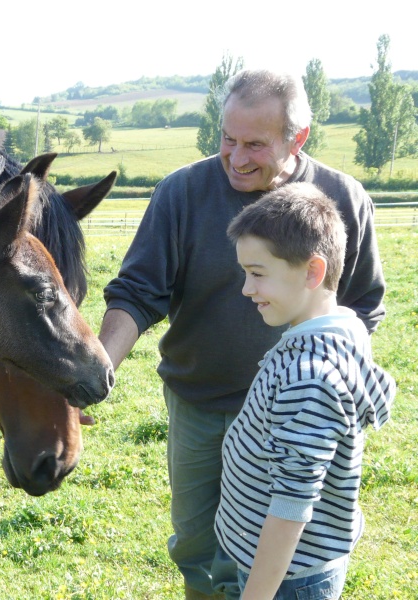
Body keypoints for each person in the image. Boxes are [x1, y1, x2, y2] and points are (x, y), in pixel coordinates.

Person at [98, 69, 386, 600]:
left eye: (256, 143)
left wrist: (330, 389)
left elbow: (364, 304)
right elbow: (137, 290)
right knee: (197, 546)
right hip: (201, 404)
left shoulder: (343, 198)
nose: (236, 156)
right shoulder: (182, 192)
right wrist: (98, 373)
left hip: (296, 413)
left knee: (270, 548)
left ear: (297, 139)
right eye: (227, 138)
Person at [216, 182, 395, 599]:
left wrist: (255, 595)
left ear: (313, 272)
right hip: (287, 566)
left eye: (257, 274)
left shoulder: (309, 378)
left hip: (287, 580)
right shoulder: (338, 327)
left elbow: (291, 508)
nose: (247, 289)